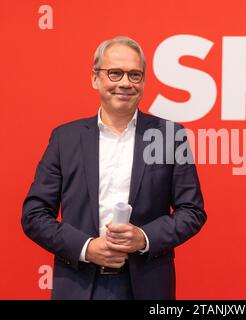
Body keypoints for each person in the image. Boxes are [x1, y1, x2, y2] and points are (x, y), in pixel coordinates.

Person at [21, 36, 207, 300]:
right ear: (95, 78)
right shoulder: (65, 138)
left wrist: (143, 237)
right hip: (79, 284)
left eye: (135, 75)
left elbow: (192, 211)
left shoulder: (168, 136)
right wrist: (86, 247)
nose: (125, 83)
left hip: (146, 285)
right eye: (115, 73)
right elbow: (34, 214)